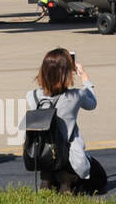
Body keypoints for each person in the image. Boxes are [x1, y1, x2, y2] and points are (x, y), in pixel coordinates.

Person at [26, 47, 105, 195]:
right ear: (67, 73)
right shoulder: (76, 96)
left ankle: (48, 178)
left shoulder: (32, 96)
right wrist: (85, 78)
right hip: (67, 157)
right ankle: (67, 180)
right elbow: (92, 103)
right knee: (100, 177)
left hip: (43, 155)